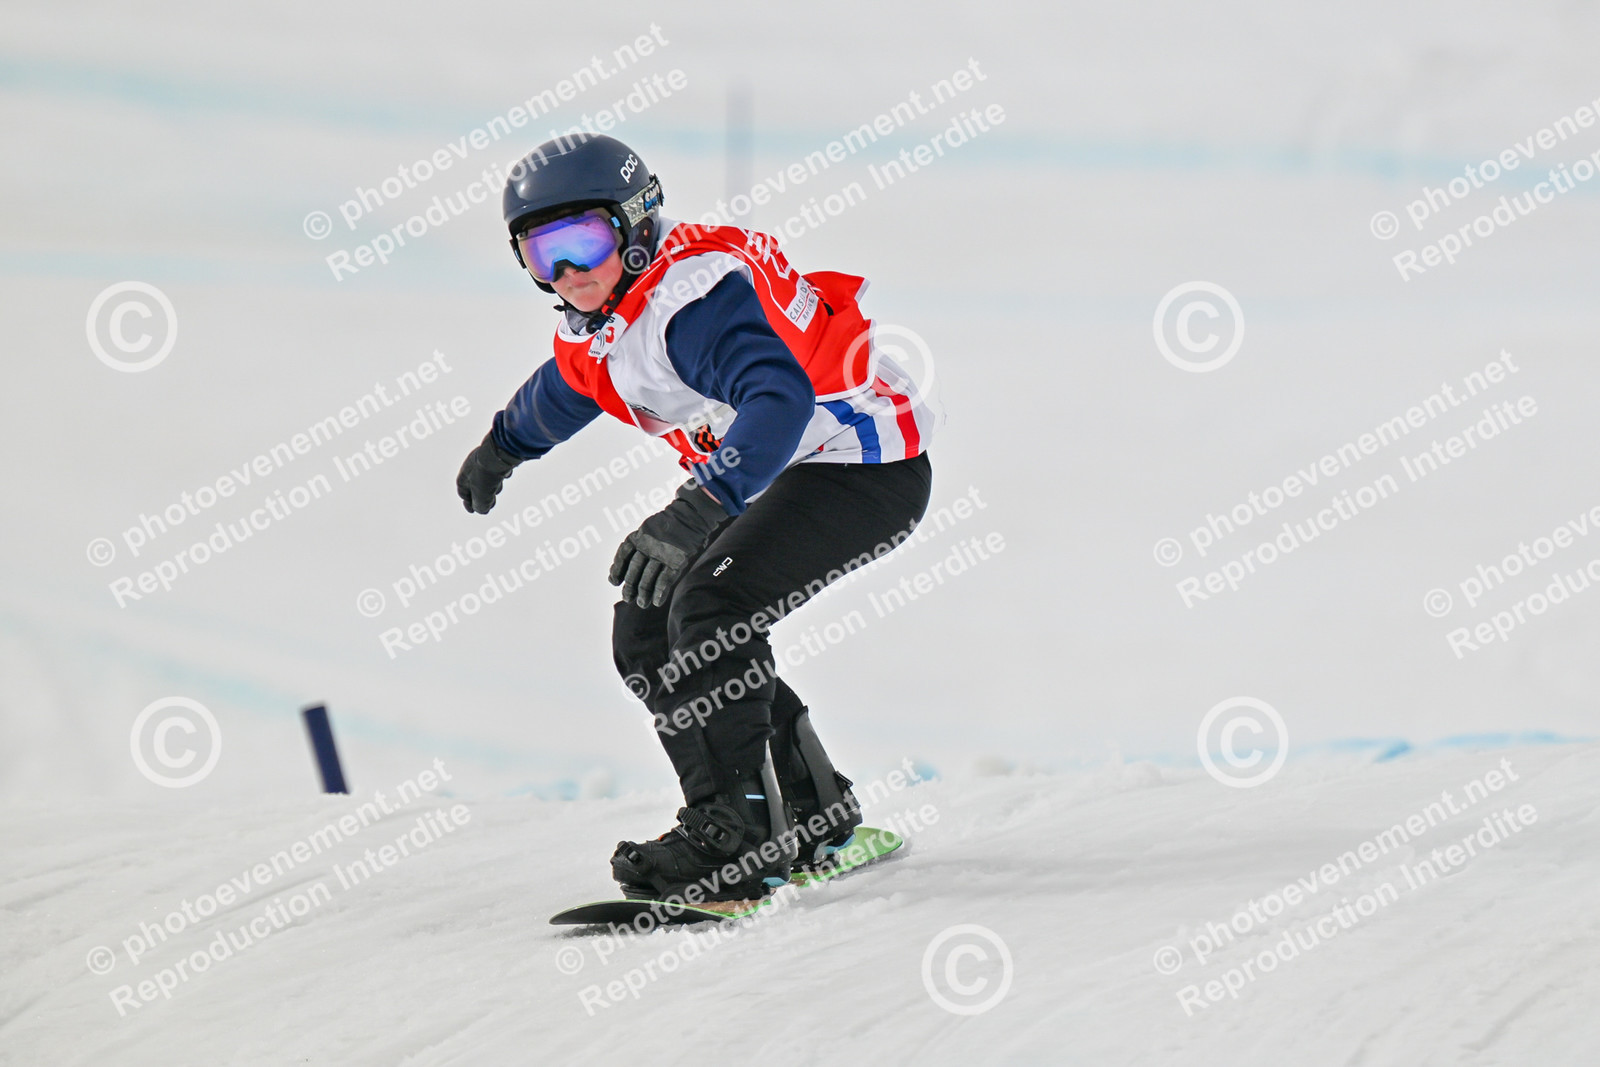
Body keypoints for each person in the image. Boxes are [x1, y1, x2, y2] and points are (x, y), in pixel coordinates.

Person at [456, 133, 938, 903]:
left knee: (713, 606)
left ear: (637, 225)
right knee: (648, 625)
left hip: (865, 463)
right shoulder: (611, 312)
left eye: (584, 241)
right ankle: (814, 811)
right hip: (780, 469)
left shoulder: (695, 306)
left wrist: (695, 510)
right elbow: (570, 385)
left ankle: (734, 839)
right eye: (543, 253)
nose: (570, 272)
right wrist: (503, 446)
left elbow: (781, 399)